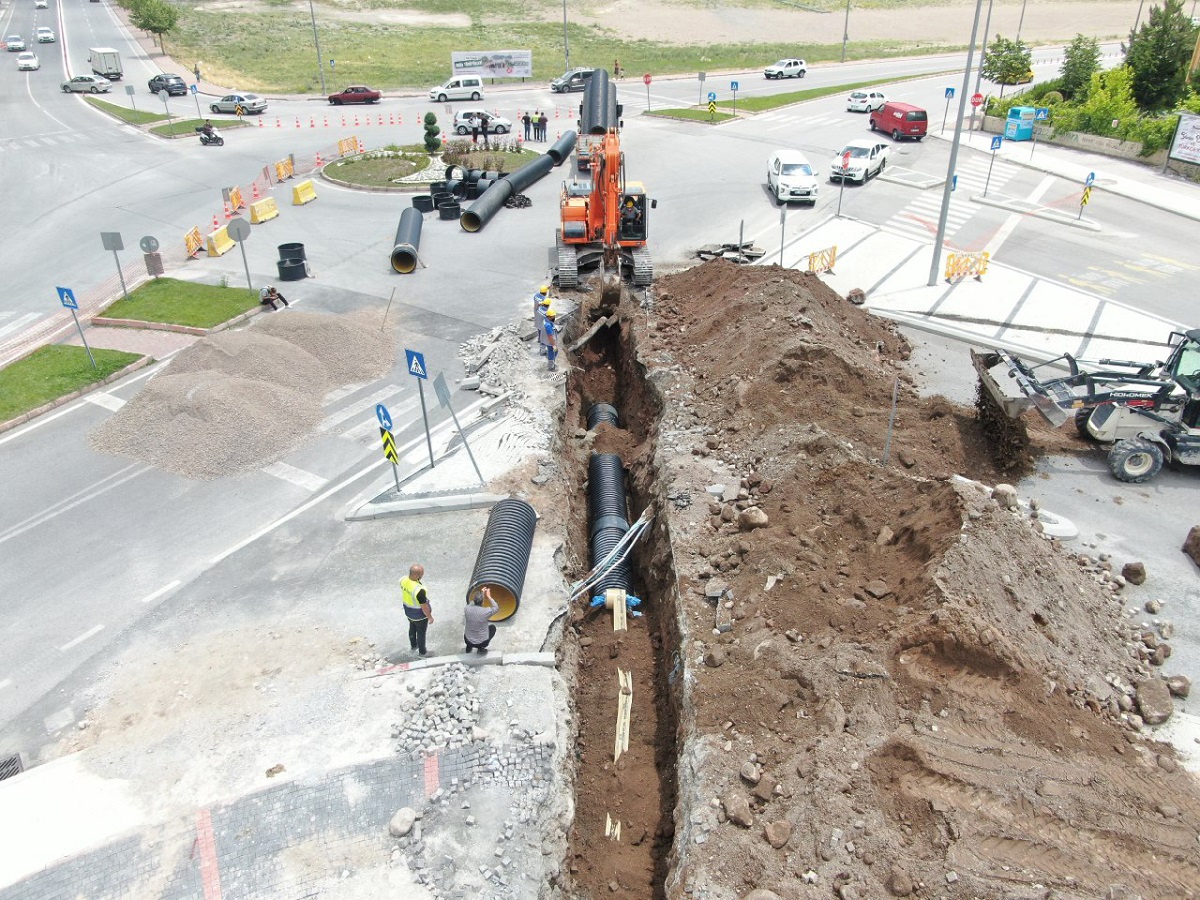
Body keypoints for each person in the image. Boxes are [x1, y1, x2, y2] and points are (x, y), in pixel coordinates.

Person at [401, 564, 434, 657]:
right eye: (421, 574)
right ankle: (423, 653)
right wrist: (430, 617)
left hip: (408, 612)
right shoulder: (419, 590)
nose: (422, 576)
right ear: (417, 575)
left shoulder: (403, 580)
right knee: (421, 633)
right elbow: (424, 607)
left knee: (412, 628)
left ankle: (413, 646)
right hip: (419, 616)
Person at [463, 586, 499, 655]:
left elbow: (471, 604)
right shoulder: (486, 611)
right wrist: (489, 596)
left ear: (474, 600)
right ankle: (481, 649)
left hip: (468, 640)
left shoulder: (467, 609)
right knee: (492, 627)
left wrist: (481, 594)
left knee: (469, 628)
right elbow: (496, 607)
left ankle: (468, 647)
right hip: (482, 642)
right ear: (482, 602)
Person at [533, 285, 552, 354]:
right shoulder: (544, 301)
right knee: (542, 330)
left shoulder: (536, 295)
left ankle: (539, 338)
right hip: (541, 316)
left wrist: (547, 288)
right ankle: (541, 343)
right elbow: (544, 302)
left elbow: (541, 296)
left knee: (538, 326)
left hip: (536, 312)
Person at [544, 306, 559, 372]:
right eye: (553, 316)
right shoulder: (548, 325)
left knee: (554, 352)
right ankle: (550, 367)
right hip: (550, 342)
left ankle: (552, 362)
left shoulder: (548, 321)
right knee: (552, 352)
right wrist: (554, 345)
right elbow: (550, 336)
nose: (554, 317)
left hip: (550, 341)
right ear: (549, 317)